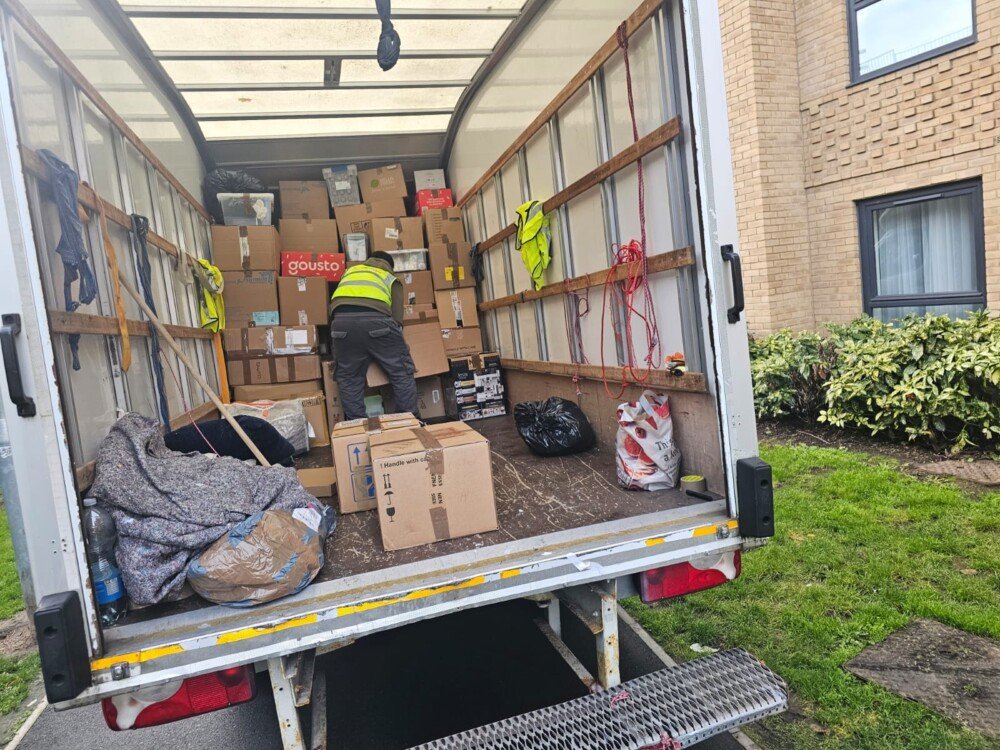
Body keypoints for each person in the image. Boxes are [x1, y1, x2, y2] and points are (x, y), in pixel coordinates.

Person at [329, 251, 418, 420]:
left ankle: (357, 425)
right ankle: (407, 421)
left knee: (348, 378)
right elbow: (397, 319)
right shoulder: (390, 278)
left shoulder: (350, 272)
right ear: (390, 265)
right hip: (377, 324)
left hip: (341, 325)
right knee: (401, 372)